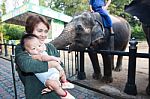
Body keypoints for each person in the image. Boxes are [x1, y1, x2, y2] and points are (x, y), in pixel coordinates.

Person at [15, 14, 74, 99]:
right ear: (29, 32)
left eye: (46, 31)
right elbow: (26, 65)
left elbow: (61, 65)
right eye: (39, 31)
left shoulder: (50, 47)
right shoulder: (22, 47)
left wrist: (58, 78)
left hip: (57, 92)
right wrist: (52, 64)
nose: (43, 35)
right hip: (37, 95)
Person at [20, 33, 75, 98]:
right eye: (33, 48)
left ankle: (64, 82)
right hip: (46, 78)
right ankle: (64, 95)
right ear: (26, 51)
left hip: (53, 72)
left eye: (39, 46)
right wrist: (54, 58)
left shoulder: (43, 50)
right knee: (54, 85)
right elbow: (43, 58)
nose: (38, 49)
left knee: (62, 74)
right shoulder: (33, 56)